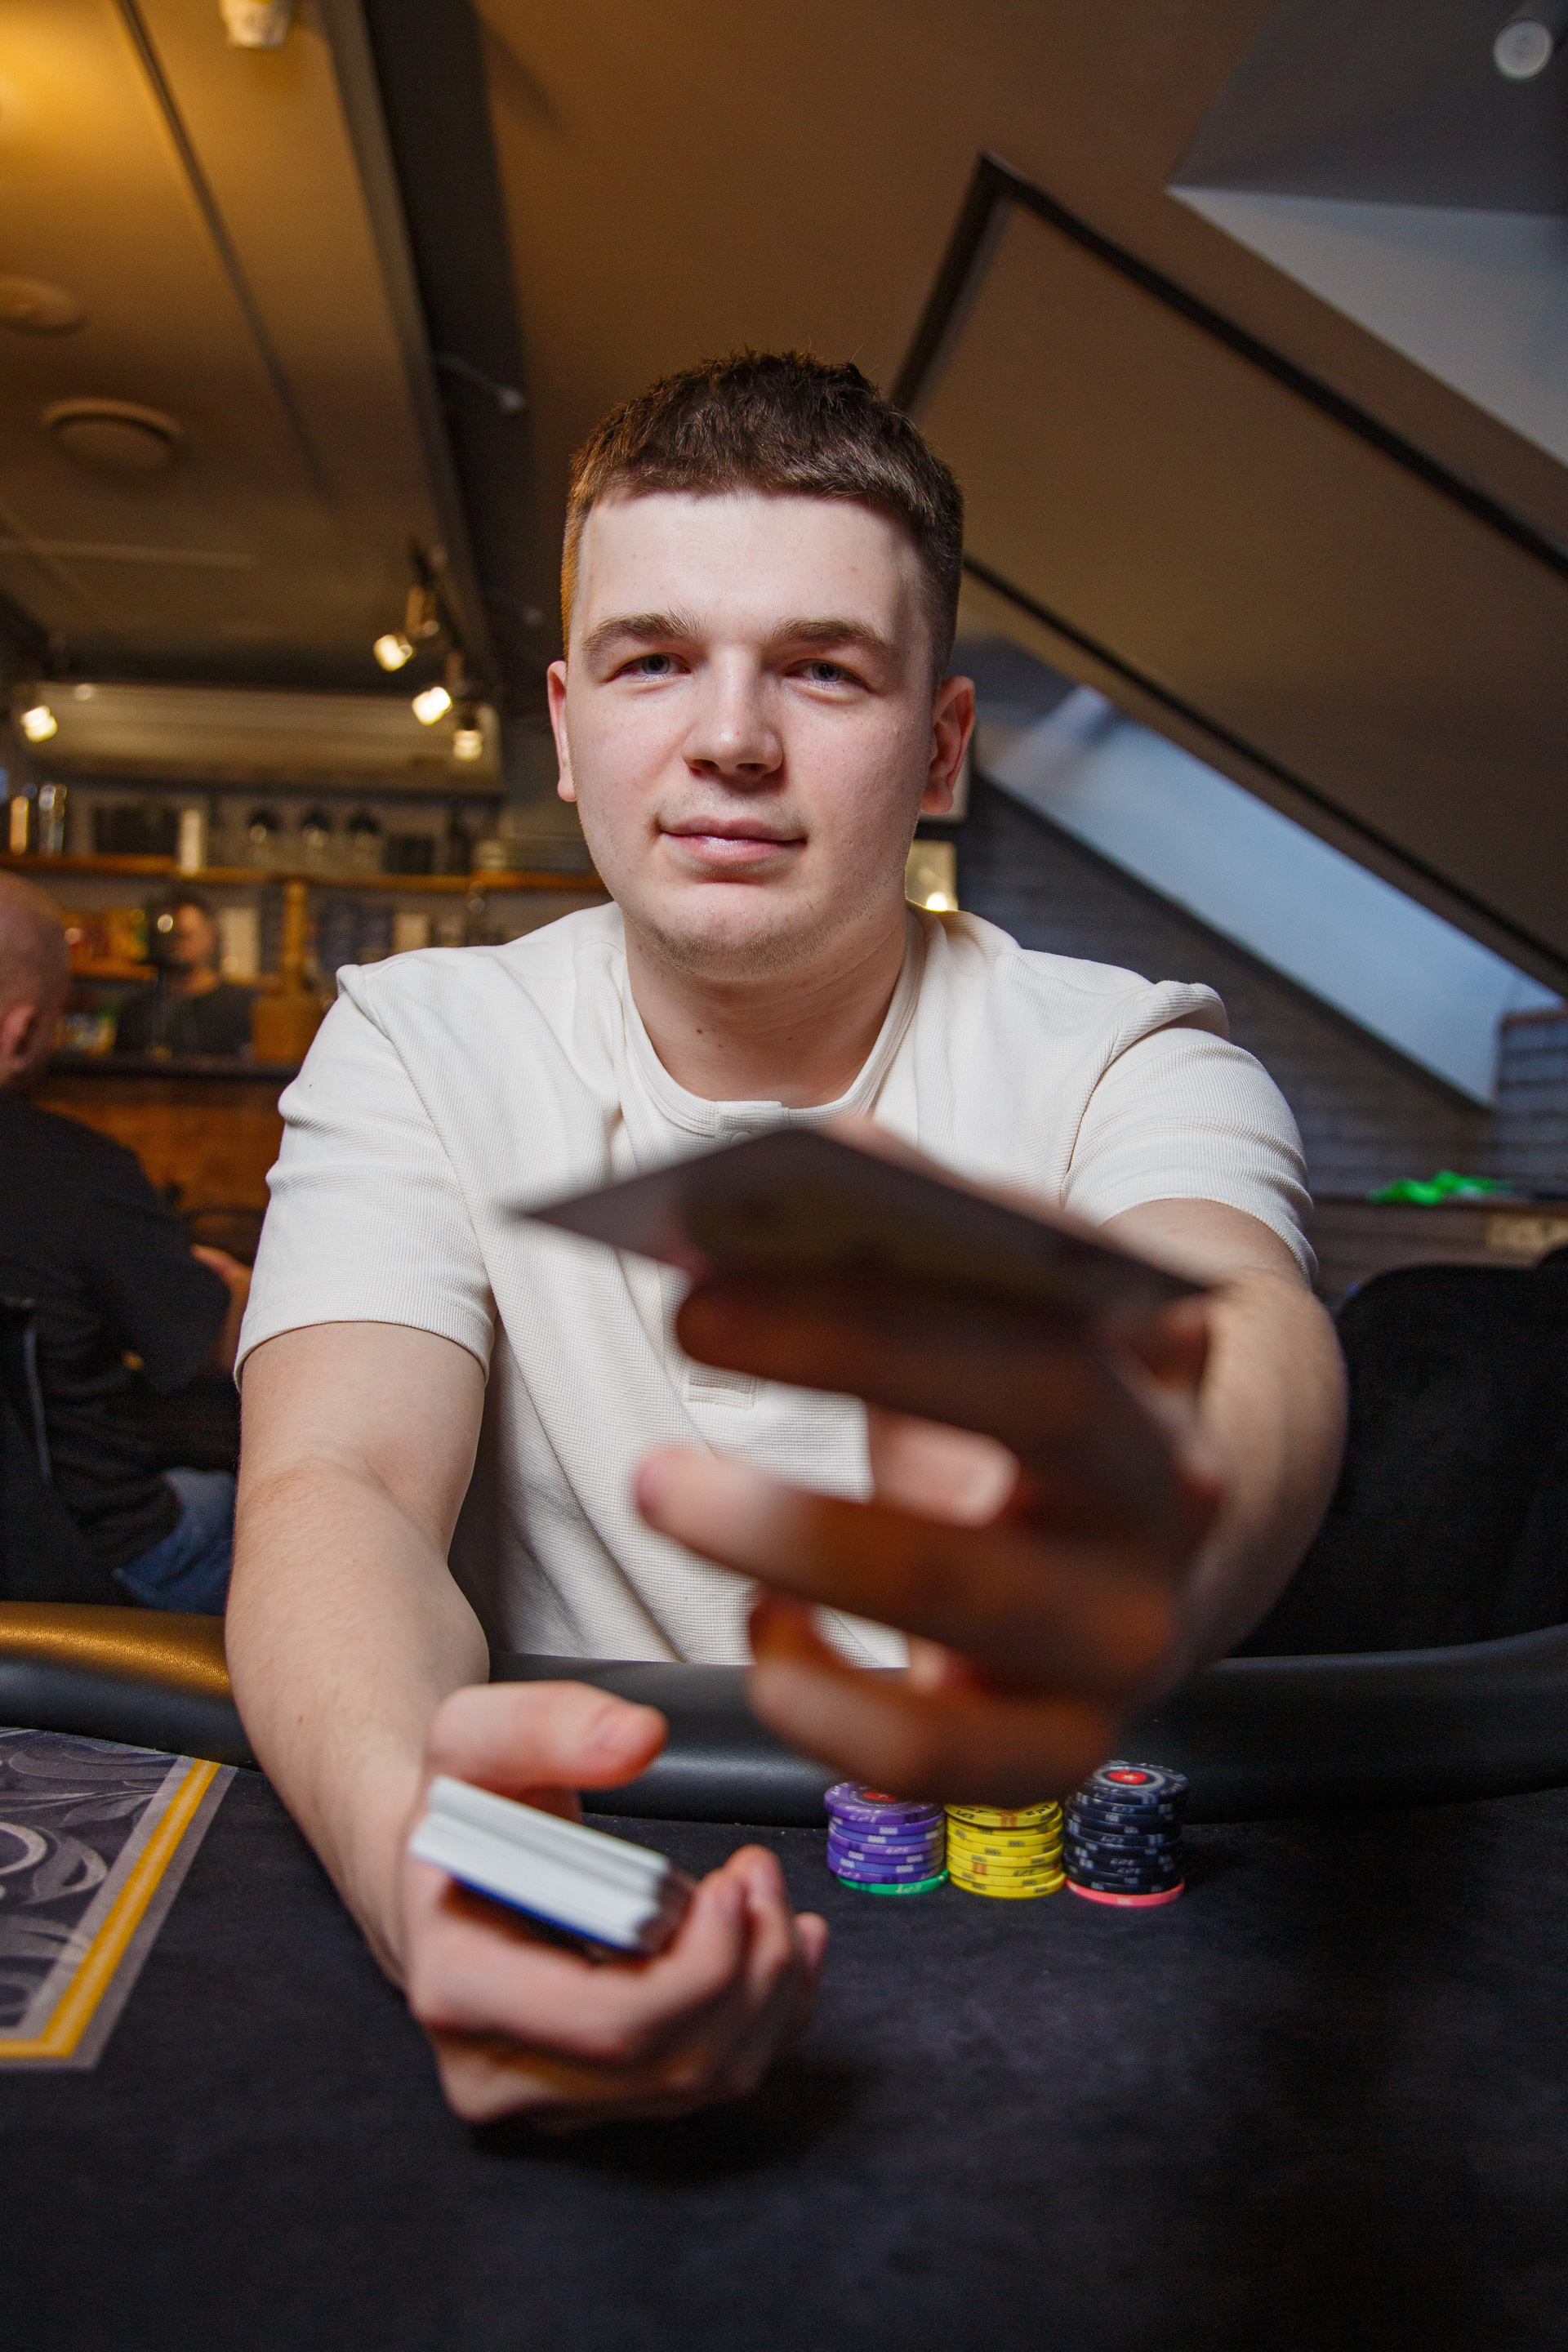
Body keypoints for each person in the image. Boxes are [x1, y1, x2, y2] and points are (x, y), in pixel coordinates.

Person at [229, 354, 1345, 2127]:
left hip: (1010, 1897)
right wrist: (415, 1852)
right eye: (652, 659)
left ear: (941, 746)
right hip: (595, 1832)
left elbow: (1245, 1327)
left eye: (823, 669)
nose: (731, 738)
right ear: (567, 723)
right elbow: (335, 1485)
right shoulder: (417, 1040)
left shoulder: (1128, 1051)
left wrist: (1154, 1478)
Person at [0, 872, 250, 1611]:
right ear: (22, 1030)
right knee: (295, 1516)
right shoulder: (75, 1173)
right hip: (85, 1565)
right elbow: (218, 1343)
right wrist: (236, 1289)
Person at [114, 887, 252, 1058]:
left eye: (186, 936)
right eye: (172, 936)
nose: (177, 944)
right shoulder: (137, 1011)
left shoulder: (242, 1008)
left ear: (211, 938)